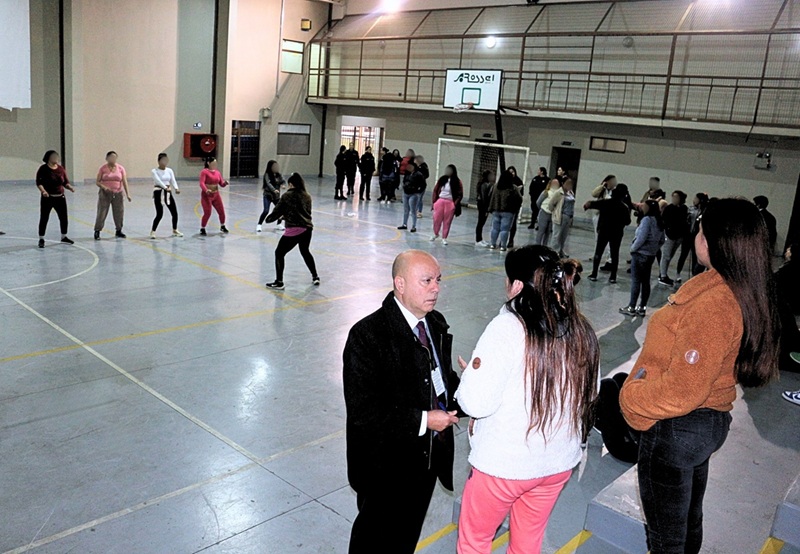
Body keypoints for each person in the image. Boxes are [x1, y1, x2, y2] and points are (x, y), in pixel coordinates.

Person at [620, 197, 781, 554]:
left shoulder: (713, 305)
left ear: (713, 242)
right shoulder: (733, 288)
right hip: (706, 423)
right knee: (687, 520)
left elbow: (682, 392)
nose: (696, 236)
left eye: (701, 230)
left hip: (677, 427)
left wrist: (631, 395)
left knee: (665, 538)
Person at [455, 245, 599, 554]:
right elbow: (590, 392)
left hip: (505, 466)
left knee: (475, 542)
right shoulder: (582, 329)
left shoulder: (507, 327)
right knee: (527, 542)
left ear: (517, 286)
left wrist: (471, 378)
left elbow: (476, 403)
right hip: (556, 464)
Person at [343, 250, 463, 554]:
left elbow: (442, 380)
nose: (436, 288)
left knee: (405, 538)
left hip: (425, 462)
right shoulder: (367, 336)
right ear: (400, 283)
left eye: (438, 280)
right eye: (426, 281)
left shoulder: (434, 323)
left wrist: (471, 389)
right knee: (373, 542)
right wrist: (425, 420)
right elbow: (364, 412)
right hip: (384, 469)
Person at [265, 173, 319, 290]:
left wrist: (269, 219)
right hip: (307, 229)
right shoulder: (307, 196)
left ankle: (279, 282)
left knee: (279, 253)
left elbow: (277, 211)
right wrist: (285, 217)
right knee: (305, 251)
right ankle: (315, 276)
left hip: (294, 230)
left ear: (290, 184)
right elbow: (304, 213)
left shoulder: (287, 196)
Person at [620, 199, 664, 316]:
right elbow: (662, 240)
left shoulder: (646, 220)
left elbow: (641, 238)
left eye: (644, 206)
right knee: (646, 282)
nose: (642, 207)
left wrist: (633, 249)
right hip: (650, 255)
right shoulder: (659, 220)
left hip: (640, 254)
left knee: (636, 281)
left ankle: (631, 307)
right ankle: (642, 307)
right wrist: (654, 249)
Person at [584, 183, 632, 283]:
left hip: (604, 230)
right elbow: (628, 221)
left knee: (598, 252)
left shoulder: (605, 203)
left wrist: (588, 204)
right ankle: (613, 276)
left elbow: (592, 204)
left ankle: (594, 274)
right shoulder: (624, 207)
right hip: (617, 233)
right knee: (615, 254)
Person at [36, 150, 75, 248]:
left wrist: (69, 187)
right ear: (48, 158)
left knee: (63, 218)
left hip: (60, 197)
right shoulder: (43, 169)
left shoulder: (61, 169)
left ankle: (64, 236)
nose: (56, 158)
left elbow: (65, 182)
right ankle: (41, 238)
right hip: (48, 198)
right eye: (54, 157)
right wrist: (43, 191)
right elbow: (39, 183)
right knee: (44, 218)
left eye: (57, 157)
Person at [93, 151, 131, 240]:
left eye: (114, 157)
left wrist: (128, 194)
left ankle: (119, 230)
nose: (113, 159)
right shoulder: (103, 168)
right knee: (102, 212)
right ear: (106, 158)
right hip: (105, 194)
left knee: (119, 212)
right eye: (111, 157)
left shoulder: (120, 168)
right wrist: (104, 187)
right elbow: (97, 182)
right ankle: (97, 230)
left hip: (118, 193)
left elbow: (124, 181)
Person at [658, 190, 690, 287]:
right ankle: (662, 275)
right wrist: (666, 229)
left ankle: (663, 273)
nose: (674, 199)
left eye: (676, 197)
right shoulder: (669, 208)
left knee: (670, 255)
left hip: (679, 236)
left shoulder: (684, 208)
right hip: (669, 235)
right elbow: (663, 220)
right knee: (666, 255)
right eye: (673, 197)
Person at [675, 192, 709, 281]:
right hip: (687, 235)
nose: (694, 200)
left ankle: (694, 276)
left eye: (696, 199)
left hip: (696, 236)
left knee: (695, 256)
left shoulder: (704, 211)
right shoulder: (690, 209)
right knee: (683, 255)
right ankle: (678, 273)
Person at [489, 170, 523, 252]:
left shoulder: (495, 186)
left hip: (496, 210)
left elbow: (491, 197)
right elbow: (519, 198)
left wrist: (491, 208)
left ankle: (492, 244)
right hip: (508, 211)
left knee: (495, 228)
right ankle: (503, 246)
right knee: (505, 230)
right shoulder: (513, 188)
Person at [149, 153, 182, 239]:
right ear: (159, 161)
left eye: (166, 160)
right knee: (159, 214)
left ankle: (175, 229)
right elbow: (158, 181)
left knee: (174, 212)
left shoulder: (169, 170)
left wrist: (176, 188)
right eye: (163, 160)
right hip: (159, 193)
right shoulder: (154, 171)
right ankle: (153, 231)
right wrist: (165, 187)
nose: (165, 162)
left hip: (168, 193)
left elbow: (173, 180)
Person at [430, 164, 463, 246]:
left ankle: (444, 237)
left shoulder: (458, 182)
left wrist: (454, 204)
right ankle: (436, 233)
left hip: (450, 202)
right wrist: (434, 202)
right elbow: (435, 190)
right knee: (436, 219)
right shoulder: (442, 179)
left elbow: (460, 194)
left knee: (447, 221)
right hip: (440, 201)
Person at [199, 157, 229, 236]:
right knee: (207, 212)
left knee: (221, 211)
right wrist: (206, 190)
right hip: (207, 195)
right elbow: (202, 183)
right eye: (213, 163)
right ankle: (203, 228)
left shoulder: (217, 172)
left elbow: (221, 184)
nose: (215, 165)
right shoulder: (204, 172)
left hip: (216, 195)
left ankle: (222, 225)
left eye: (215, 163)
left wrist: (225, 183)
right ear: (208, 163)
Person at [549, 178, 575, 257]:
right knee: (556, 235)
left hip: (568, 216)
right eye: (567, 183)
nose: (569, 185)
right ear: (563, 183)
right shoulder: (558, 192)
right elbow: (551, 204)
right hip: (560, 216)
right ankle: (554, 251)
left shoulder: (571, 192)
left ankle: (561, 250)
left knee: (564, 236)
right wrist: (555, 213)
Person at [398, 161, 426, 233]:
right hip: (406, 193)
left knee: (413, 210)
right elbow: (404, 181)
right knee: (406, 210)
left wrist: (418, 191)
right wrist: (404, 187)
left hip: (413, 194)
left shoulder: (418, 174)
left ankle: (414, 226)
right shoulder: (407, 174)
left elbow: (423, 184)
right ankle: (404, 224)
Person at [257, 160, 284, 233]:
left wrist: (282, 184)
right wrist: (274, 190)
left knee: (281, 210)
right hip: (268, 196)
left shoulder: (278, 175)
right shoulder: (267, 175)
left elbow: (282, 181)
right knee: (266, 211)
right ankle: (259, 224)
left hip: (276, 197)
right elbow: (268, 184)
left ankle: (279, 224)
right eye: (274, 166)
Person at [534, 178, 561, 246]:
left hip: (552, 214)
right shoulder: (546, 192)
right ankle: (537, 246)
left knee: (548, 233)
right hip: (544, 213)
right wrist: (542, 208)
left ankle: (545, 246)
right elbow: (538, 202)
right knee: (541, 231)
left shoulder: (559, 194)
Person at [590, 175, 617, 239]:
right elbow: (594, 194)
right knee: (598, 235)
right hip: (598, 214)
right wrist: (602, 186)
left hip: (608, 216)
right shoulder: (603, 190)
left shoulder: (615, 191)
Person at [506, 166, 525, 249]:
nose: (512, 173)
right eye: (510, 172)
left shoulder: (518, 181)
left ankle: (511, 240)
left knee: (513, 224)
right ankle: (503, 239)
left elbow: (522, 194)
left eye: (513, 172)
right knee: (505, 224)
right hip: (506, 206)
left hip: (515, 205)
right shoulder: (504, 180)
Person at [475, 170, 495, 247]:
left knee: (482, 223)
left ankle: (480, 239)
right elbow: (484, 198)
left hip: (484, 206)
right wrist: (486, 209)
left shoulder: (489, 184)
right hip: (482, 206)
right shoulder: (483, 185)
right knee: (480, 222)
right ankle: (478, 240)